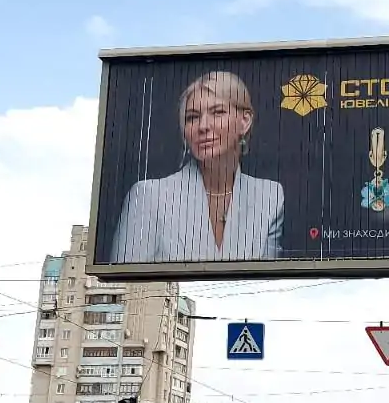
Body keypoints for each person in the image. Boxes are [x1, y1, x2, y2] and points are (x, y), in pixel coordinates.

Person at [109, 71, 285, 263]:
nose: (203, 126)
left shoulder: (270, 197)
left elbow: (267, 278)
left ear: (245, 122)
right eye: (192, 117)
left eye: (217, 112)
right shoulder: (148, 196)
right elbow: (125, 278)